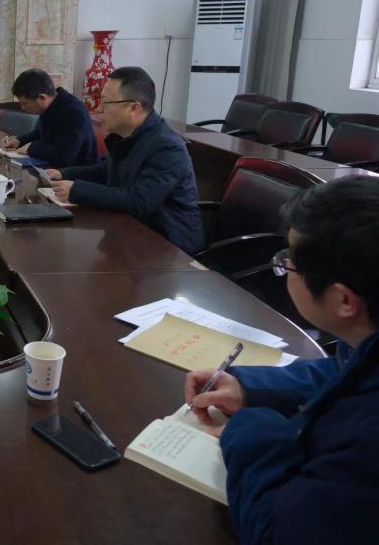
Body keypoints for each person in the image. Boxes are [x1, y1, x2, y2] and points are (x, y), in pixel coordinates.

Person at [184, 176, 379, 543]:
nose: (284, 266)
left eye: (289, 262)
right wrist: (249, 388)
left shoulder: (366, 444)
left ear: (344, 300)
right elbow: (345, 369)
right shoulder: (364, 340)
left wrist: (252, 429)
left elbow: (276, 532)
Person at [47, 67, 203, 254]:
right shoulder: (128, 136)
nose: (98, 109)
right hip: (134, 233)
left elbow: (139, 201)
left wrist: (76, 190)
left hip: (170, 246)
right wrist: (63, 173)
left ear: (134, 108)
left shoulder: (167, 147)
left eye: (106, 103)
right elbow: (105, 171)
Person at [1, 68, 97, 168]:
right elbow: (42, 132)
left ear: (42, 98)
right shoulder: (53, 104)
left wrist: (31, 148)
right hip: (53, 169)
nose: (23, 108)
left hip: (78, 172)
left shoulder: (74, 112)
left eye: (25, 103)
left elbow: (64, 155)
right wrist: (20, 141)